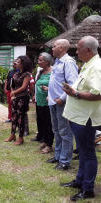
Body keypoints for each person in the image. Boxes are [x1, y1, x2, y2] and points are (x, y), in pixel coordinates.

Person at [61, 36, 101, 201]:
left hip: (86, 118)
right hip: (79, 117)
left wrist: (75, 93)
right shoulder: (88, 65)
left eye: (78, 49)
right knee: (84, 153)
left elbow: (97, 93)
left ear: (88, 50)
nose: (76, 52)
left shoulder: (96, 67)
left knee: (88, 154)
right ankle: (80, 180)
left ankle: (88, 188)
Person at [45, 39, 78, 170]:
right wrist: (51, 96)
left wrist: (62, 98)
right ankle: (58, 155)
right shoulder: (57, 62)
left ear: (61, 48)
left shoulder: (68, 63)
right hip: (53, 101)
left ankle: (65, 161)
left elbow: (73, 83)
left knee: (65, 132)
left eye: (54, 46)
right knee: (57, 131)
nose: (52, 49)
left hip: (62, 103)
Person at [4, 55, 32, 145]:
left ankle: (20, 138)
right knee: (14, 116)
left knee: (20, 117)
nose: (16, 63)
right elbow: (12, 85)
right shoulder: (16, 73)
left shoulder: (27, 74)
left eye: (18, 62)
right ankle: (12, 135)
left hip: (23, 98)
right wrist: (12, 94)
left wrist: (14, 93)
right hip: (15, 97)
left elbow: (24, 87)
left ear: (23, 64)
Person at [32, 52, 54, 153]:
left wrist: (49, 89)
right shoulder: (41, 72)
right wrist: (34, 96)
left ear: (47, 61)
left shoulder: (53, 72)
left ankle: (49, 144)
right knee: (42, 122)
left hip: (48, 101)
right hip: (39, 101)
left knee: (49, 123)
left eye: (41, 60)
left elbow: (56, 86)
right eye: (38, 60)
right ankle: (45, 140)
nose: (38, 62)